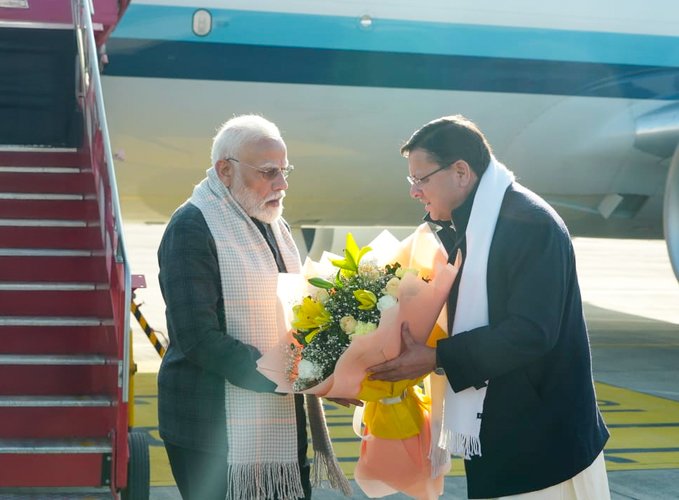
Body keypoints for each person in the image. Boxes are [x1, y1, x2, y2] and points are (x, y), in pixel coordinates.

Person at [369, 115, 610, 499]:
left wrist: (435, 358)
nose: (415, 191)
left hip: (545, 446)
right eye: (411, 181)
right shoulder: (471, 223)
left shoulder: (529, 223)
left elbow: (531, 332)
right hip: (503, 435)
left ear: (461, 172)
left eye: (421, 179)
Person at [157, 114, 349, 500]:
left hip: (279, 420)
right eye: (268, 172)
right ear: (224, 170)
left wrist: (332, 365)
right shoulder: (191, 225)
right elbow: (197, 337)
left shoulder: (269, 221)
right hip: (211, 430)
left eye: (284, 171)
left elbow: (298, 315)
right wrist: (298, 377)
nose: (281, 184)